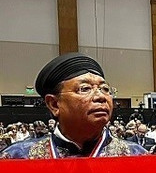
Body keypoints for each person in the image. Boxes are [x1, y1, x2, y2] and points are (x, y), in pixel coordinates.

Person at [2, 53, 147, 159]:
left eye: (105, 89)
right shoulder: (18, 157)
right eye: (85, 89)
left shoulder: (137, 156)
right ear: (54, 104)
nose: (101, 97)